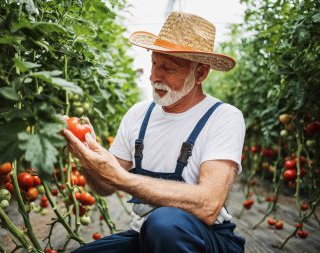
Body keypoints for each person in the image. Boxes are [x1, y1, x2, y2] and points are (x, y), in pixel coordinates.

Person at [64, 11, 246, 253]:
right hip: (144, 237)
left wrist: (122, 178)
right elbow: (104, 187)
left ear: (201, 73)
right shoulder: (138, 115)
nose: (153, 76)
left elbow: (209, 205)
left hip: (205, 239)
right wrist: (87, 156)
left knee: (164, 225)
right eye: (154, 63)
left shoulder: (223, 117)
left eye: (168, 68)